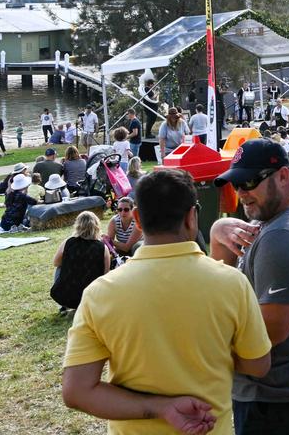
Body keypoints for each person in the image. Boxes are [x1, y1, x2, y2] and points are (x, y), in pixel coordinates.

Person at [62, 168, 272, 434]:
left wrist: (160, 407)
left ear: (137, 218)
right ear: (192, 216)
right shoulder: (233, 283)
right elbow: (258, 364)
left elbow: (77, 391)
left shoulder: (99, 293)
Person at [209, 140, 289, 434]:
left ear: (282, 175)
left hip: (276, 400)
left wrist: (207, 355)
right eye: (235, 184)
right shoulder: (287, 214)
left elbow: (271, 332)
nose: (241, 193)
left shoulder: (281, 236)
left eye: (249, 182)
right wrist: (217, 234)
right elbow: (223, 281)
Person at [51, 211, 110, 312]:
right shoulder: (103, 248)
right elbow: (106, 273)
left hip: (66, 297)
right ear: (96, 226)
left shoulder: (68, 242)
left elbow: (56, 263)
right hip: (91, 299)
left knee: (60, 267)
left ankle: (64, 304)